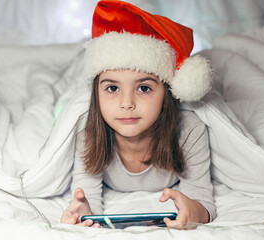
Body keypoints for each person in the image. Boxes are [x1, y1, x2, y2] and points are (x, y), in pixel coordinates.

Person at [60, 0, 215, 229]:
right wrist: (85, 212)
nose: (126, 103)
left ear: (167, 92)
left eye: (143, 88)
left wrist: (193, 211)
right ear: (97, 93)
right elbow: (87, 195)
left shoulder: (188, 129)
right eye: (112, 88)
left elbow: (203, 203)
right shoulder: (89, 132)